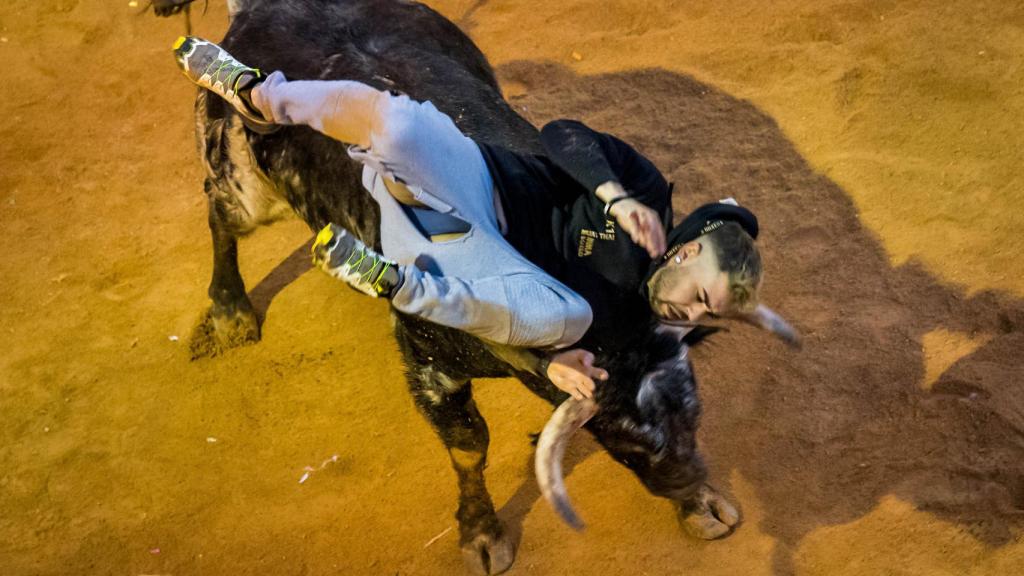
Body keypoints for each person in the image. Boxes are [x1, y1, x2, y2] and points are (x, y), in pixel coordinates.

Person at [172, 37, 764, 399]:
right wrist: (616, 196)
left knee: (569, 315)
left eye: (709, 317)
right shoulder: (646, 195)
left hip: (464, 266)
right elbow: (561, 134)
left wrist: (547, 364)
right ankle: (257, 94)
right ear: (687, 252)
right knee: (396, 121)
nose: (691, 318)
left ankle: (388, 280)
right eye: (703, 300)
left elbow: (512, 323)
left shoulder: (633, 330)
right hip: (478, 182)